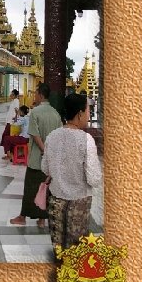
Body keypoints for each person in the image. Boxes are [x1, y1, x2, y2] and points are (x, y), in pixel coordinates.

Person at [41, 93, 102, 258]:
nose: (89, 115)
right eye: (88, 110)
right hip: (79, 202)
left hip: (56, 200)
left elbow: (45, 168)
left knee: (59, 249)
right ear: (80, 113)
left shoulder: (52, 136)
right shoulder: (86, 139)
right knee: (76, 250)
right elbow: (94, 178)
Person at [10, 83, 63, 227]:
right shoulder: (55, 113)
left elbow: (35, 134)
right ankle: (42, 219)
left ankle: (22, 217)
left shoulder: (35, 112)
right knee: (45, 189)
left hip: (36, 159)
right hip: (50, 160)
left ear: (40, 95)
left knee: (30, 189)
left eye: (36, 93)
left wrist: (44, 151)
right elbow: (59, 136)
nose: (34, 96)